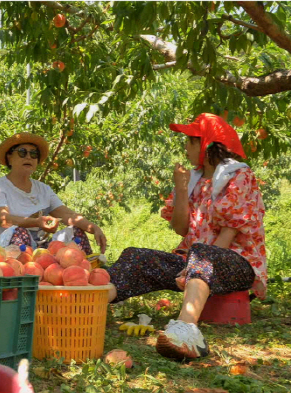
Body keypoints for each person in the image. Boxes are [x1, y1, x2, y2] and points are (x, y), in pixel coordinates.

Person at [107, 113, 267, 360]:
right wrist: (181, 189)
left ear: (205, 144)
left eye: (189, 141)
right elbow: (181, 228)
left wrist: (198, 263)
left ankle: (186, 329)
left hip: (236, 263)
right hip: (194, 262)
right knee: (135, 256)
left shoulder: (238, 176)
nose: (185, 147)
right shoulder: (193, 178)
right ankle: (87, 304)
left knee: (204, 252)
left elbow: (229, 232)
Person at [0, 132, 107, 255]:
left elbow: (66, 214)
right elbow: (4, 220)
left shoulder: (43, 189)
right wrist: (37, 222)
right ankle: (24, 272)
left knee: (76, 233)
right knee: (18, 231)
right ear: (9, 158)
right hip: (1, 251)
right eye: (22, 152)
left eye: (33, 154)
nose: (28, 157)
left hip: (39, 250)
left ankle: (83, 271)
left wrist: (93, 228)